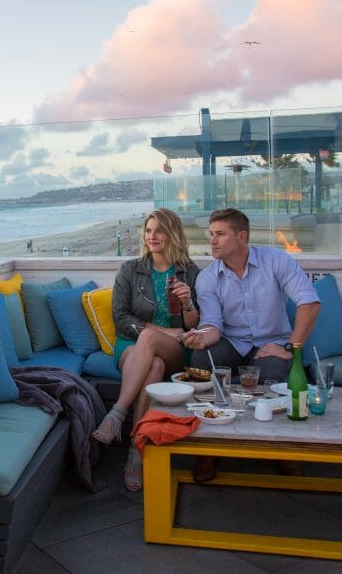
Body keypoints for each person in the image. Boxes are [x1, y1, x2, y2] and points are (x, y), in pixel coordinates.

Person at [181, 208, 321, 482]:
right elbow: (213, 324)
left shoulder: (275, 260)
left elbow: (309, 302)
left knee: (271, 372)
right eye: (211, 234)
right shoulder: (208, 277)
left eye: (220, 234)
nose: (212, 241)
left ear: (241, 237)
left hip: (272, 341)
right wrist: (201, 337)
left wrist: (291, 348)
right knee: (201, 361)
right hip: (232, 341)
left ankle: (282, 450)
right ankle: (208, 449)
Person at [91, 208, 201, 492]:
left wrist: (188, 302)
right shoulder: (131, 269)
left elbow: (194, 325)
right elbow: (121, 319)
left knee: (152, 344)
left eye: (159, 231)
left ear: (173, 233)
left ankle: (116, 414)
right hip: (132, 346)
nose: (152, 236)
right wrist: (161, 330)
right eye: (149, 231)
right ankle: (135, 451)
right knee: (153, 365)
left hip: (176, 349)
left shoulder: (189, 271)